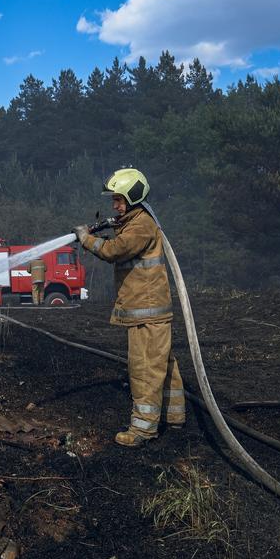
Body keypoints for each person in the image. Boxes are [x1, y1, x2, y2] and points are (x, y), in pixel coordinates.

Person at [73, 168, 185, 447]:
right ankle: (174, 417)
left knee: (145, 369)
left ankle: (143, 430)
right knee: (162, 365)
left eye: (119, 199)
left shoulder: (141, 225)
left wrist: (86, 239)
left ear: (134, 198)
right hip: (150, 312)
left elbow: (115, 251)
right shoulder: (135, 222)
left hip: (146, 313)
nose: (115, 205)